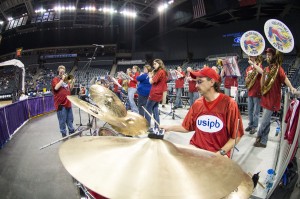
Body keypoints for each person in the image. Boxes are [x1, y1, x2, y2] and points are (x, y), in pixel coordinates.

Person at [160, 67, 244, 157]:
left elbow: (237, 135)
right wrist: (168, 127)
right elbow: (186, 127)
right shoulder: (197, 103)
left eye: (199, 82)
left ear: (212, 82)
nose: (196, 85)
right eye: (196, 82)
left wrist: (221, 153)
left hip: (218, 153)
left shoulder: (229, 104)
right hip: (196, 148)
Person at [255, 48, 297, 148]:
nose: (267, 56)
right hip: (265, 99)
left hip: (272, 101)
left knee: (264, 122)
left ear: (274, 56)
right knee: (267, 122)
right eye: (267, 55)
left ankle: (258, 136)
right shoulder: (266, 69)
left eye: (269, 55)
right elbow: (262, 78)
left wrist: (291, 87)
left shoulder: (278, 69)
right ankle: (263, 142)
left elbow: (285, 78)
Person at [51, 65, 75, 138]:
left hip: (68, 103)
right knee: (62, 121)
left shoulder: (66, 80)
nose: (62, 73)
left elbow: (69, 89)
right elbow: (56, 87)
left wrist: (72, 82)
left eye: (63, 71)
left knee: (70, 119)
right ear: (59, 72)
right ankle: (64, 134)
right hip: (60, 104)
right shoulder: (55, 79)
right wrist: (62, 79)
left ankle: (72, 132)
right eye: (61, 72)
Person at [145, 59, 168, 129]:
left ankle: (147, 126)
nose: (153, 65)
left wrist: (150, 76)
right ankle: (157, 126)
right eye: (153, 64)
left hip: (154, 93)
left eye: (155, 64)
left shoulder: (160, 72)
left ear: (159, 64)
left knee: (148, 109)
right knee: (155, 110)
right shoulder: (163, 72)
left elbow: (151, 82)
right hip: (159, 93)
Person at [244, 55, 263, 135]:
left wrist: (253, 64)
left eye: (251, 57)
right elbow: (246, 80)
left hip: (257, 91)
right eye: (250, 57)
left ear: (255, 57)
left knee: (256, 111)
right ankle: (250, 124)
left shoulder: (259, 65)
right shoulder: (248, 69)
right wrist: (247, 78)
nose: (250, 58)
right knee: (250, 110)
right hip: (250, 91)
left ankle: (255, 126)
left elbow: (262, 72)